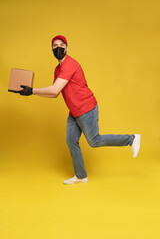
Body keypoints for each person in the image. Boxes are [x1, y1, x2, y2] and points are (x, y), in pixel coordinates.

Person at [15, 35, 141, 185]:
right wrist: (32, 92)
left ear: (67, 48)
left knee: (94, 141)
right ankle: (81, 175)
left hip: (85, 108)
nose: (58, 48)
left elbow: (55, 89)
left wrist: (33, 90)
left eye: (62, 45)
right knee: (71, 140)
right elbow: (55, 94)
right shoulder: (58, 69)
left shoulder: (70, 64)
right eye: (55, 46)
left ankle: (131, 139)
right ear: (52, 50)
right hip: (74, 111)